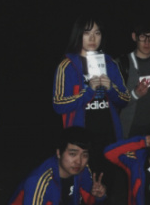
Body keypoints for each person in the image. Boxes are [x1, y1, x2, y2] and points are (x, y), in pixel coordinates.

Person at [52, 17, 127, 161]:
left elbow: (124, 100)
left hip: (109, 136)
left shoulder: (110, 63)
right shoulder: (67, 66)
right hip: (80, 139)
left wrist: (111, 89)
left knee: (109, 174)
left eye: (97, 33)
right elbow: (58, 105)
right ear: (78, 35)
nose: (92, 38)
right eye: (87, 33)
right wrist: (88, 92)